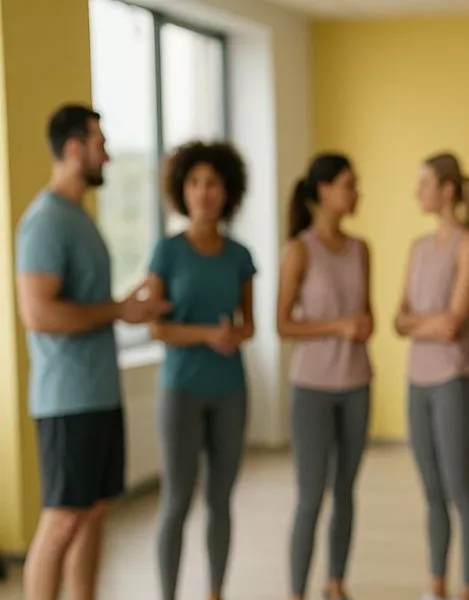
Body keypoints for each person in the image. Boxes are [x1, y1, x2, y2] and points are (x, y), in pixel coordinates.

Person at [15, 104, 171, 600]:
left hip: (99, 392)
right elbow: (39, 313)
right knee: (62, 518)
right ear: (74, 147)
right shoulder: (45, 222)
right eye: (99, 142)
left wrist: (127, 306)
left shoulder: (79, 218)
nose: (106, 152)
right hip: (67, 397)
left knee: (95, 510)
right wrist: (118, 311)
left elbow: (91, 305)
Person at [145, 141, 257, 600]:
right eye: (195, 183)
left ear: (227, 192)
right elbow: (156, 328)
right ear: (181, 191)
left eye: (213, 183)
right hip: (181, 391)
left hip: (230, 389)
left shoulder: (239, 255)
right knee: (176, 501)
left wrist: (234, 335)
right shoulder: (167, 252)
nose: (204, 192)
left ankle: (215, 591)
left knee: (220, 501)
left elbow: (249, 324)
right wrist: (207, 336)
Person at [278, 153, 374, 600]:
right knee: (311, 495)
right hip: (312, 388)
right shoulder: (298, 250)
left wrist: (363, 324)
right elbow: (283, 325)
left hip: (356, 384)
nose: (355, 192)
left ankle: (335, 584)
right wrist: (338, 326)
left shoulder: (361, 249)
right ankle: (296, 591)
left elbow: (366, 313)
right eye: (348, 184)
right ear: (323, 190)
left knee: (346, 491)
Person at [394, 152, 469, 600]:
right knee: (431, 491)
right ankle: (436, 588)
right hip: (417, 382)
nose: (417, 191)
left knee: (458, 491)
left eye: (424, 182)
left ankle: (466, 590)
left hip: (454, 379)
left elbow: (455, 322)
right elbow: (397, 320)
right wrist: (431, 322)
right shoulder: (417, 248)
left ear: (447, 189)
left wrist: (421, 323)